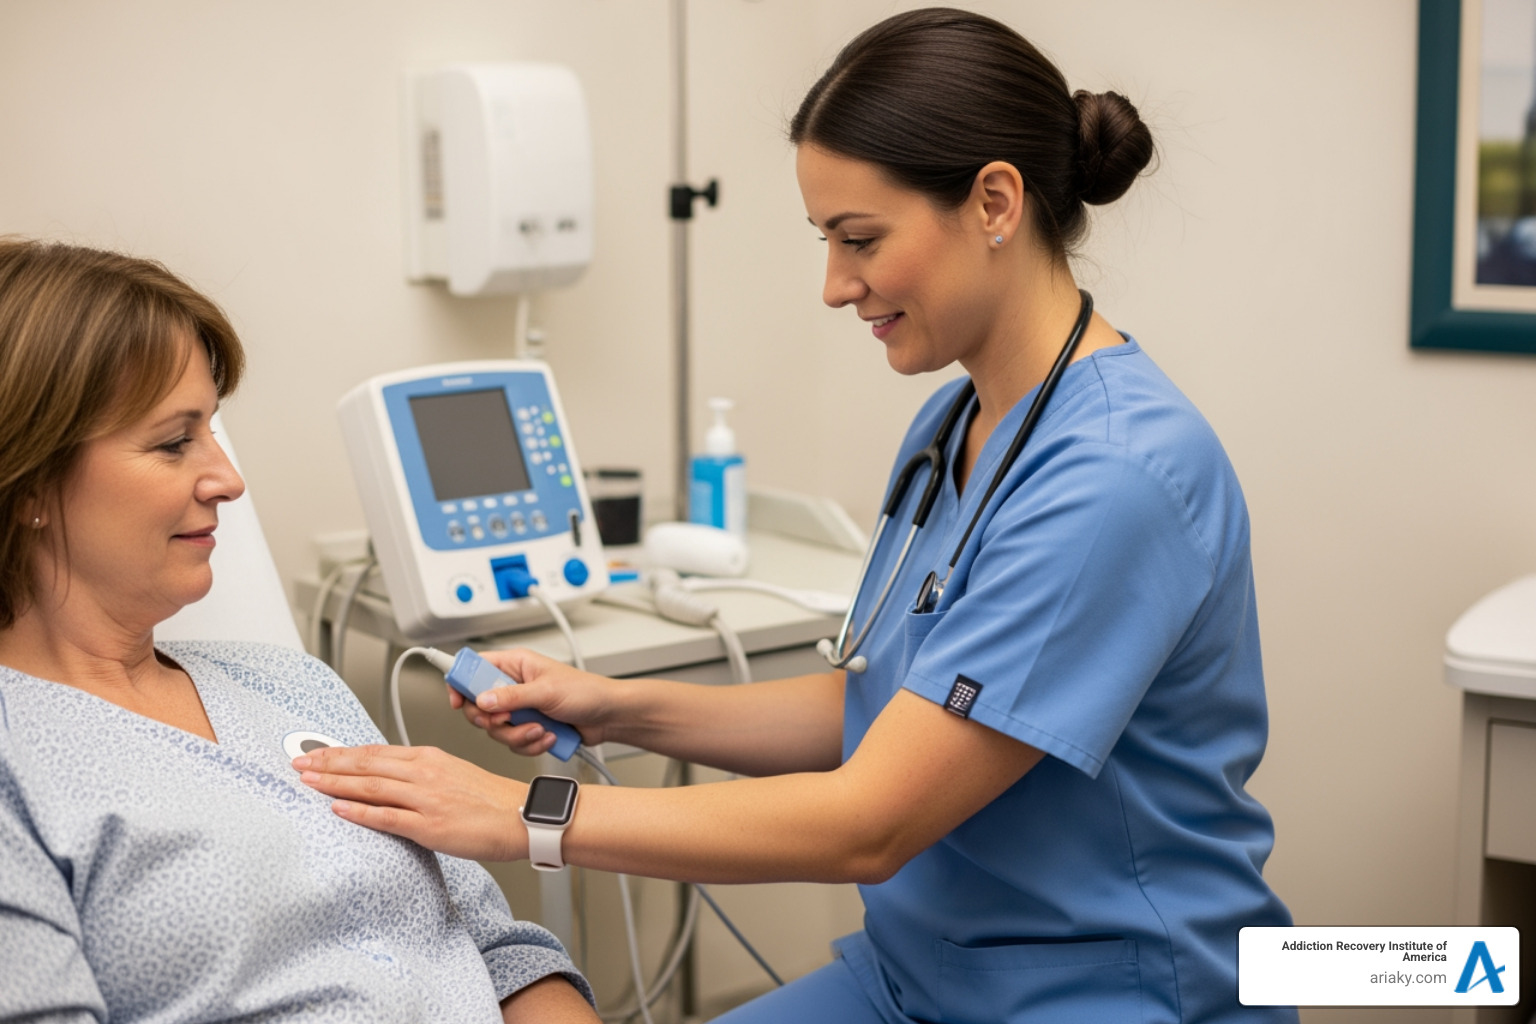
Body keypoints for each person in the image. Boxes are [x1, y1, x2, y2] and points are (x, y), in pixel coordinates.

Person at [295, 9, 1297, 1023]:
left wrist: (523, 817)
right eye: (826, 240)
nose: (833, 285)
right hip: (918, 975)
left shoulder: (1114, 478)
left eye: (860, 239)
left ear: (995, 201)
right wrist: (613, 703)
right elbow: (879, 705)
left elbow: (873, 818)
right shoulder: (953, 427)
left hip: (1099, 989)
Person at [0, 239, 599, 1023]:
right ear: (30, 483)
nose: (227, 477)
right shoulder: (20, 767)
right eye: (175, 441)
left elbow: (501, 951)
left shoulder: (292, 684)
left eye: (212, 429)